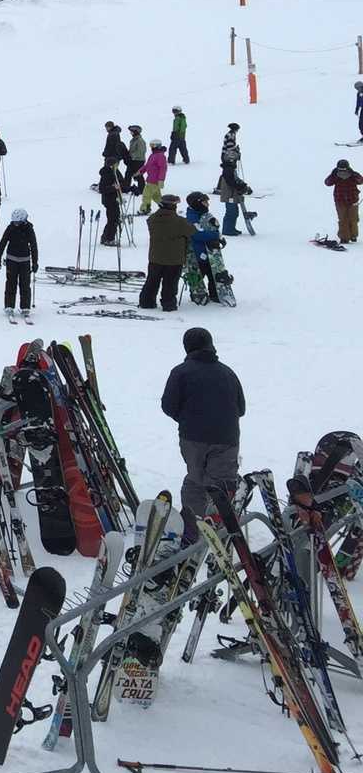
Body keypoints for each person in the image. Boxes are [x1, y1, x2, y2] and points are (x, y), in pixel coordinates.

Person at [161, 326, 244, 541]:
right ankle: (221, 528)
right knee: (222, 486)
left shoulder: (180, 372)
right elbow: (241, 408)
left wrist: (189, 419)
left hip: (192, 438)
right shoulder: (228, 373)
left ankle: (194, 526)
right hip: (226, 438)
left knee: (196, 479)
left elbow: (168, 406)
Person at [139, 192, 193, 311]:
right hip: (174, 259)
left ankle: (146, 301)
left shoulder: (152, 219)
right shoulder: (179, 221)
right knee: (170, 283)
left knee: (152, 280)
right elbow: (191, 231)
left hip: (155, 257)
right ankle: (168, 304)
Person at [0, 207, 39, 320]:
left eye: (18, 222)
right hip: (11, 260)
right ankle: (9, 305)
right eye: (14, 222)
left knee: (25, 285)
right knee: (10, 284)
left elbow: (34, 246)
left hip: (25, 261)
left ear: (23, 220)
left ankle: (25, 307)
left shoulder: (29, 229)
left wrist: (35, 262)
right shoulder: (10, 228)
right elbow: (3, 243)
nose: (16, 224)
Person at [328, 159, 362, 244]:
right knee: (343, 219)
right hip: (340, 201)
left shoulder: (353, 175)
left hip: (353, 200)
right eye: (340, 169)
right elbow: (327, 183)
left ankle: (353, 235)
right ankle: (344, 237)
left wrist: (353, 174)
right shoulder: (335, 175)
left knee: (353, 219)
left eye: (344, 169)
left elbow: (360, 180)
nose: (342, 172)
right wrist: (333, 174)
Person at [96, 159, 123, 246]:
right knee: (113, 219)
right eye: (116, 164)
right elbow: (102, 189)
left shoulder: (114, 172)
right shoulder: (107, 173)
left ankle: (105, 237)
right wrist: (113, 188)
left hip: (114, 199)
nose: (118, 165)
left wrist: (130, 188)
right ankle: (109, 239)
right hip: (109, 200)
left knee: (114, 219)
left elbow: (121, 182)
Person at [140, 139, 169, 212]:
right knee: (156, 196)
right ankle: (165, 207)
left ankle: (145, 208)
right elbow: (147, 165)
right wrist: (140, 172)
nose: (151, 147)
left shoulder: (160, 156)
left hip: (155, 180)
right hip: (151, 179)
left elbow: (163, 168)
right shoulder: (152, 155)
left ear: (158, 146)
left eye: (153, 145)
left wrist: (161, 180)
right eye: (151, 145)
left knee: (146, 195)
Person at [123, 125, 149, 196]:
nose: (130, 133)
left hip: (138, 161)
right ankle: (126, 188)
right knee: (128, 174)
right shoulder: (134, 140)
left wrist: (131, 157)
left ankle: (141, 189)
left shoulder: (140, 141)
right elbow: (132, 150)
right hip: (133, 160)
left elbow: (140, 152)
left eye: (131, 132)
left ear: (136, 132)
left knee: (138, 174)